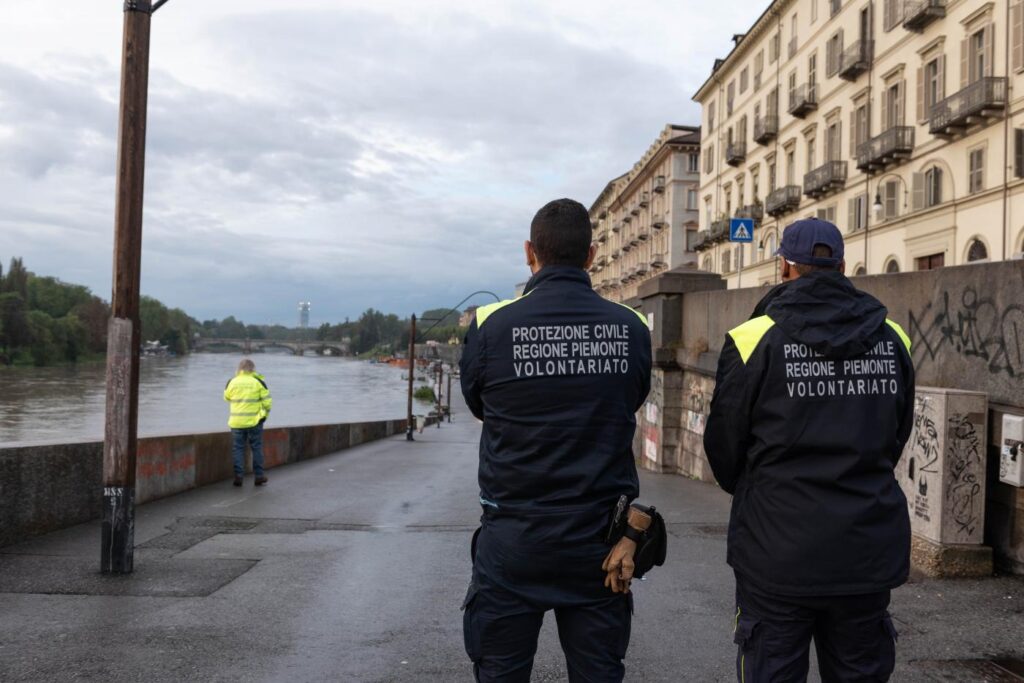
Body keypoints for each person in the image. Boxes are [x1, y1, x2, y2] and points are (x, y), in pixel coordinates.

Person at [704, 218, 915, 682]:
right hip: (866, 550)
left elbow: (724, 447)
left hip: (777, 551)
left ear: (784, 268)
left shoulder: (752, 339)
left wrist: (763, 494)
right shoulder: (892, 336)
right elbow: (896, 435)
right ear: (843, 265)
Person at [459, 198, 653, 682]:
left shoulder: (490, 325)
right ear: (591, 256)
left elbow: (479, 405)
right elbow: (629, 399)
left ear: (530, 252)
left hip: (514, 540)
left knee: (500, 670)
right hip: (601, 543)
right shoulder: (631, 327)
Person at [224, 358, 272, 487]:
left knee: (238, 449)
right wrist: (263, 415)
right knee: (256, 447)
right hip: (254, 421)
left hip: (236, 422)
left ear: (239, 369)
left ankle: (239, 476)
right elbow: (268, 403)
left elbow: (226, 397)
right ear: (253, 369)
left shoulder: (232, 382)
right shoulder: (258, 382)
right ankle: (259, 476)